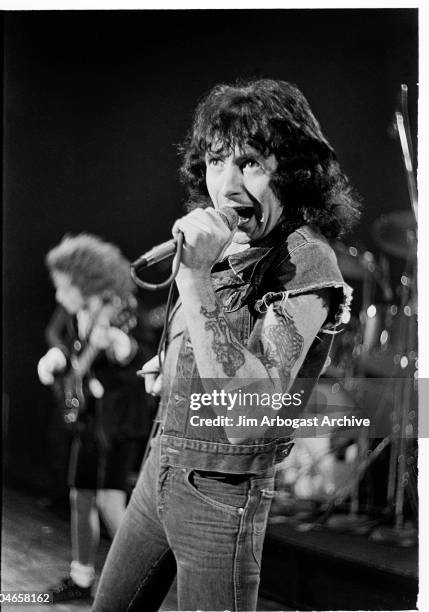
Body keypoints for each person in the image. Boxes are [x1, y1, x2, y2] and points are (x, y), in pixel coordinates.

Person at [92, 78, 361, 612]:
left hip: (220, 495)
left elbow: (245, 418)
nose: (228, 186)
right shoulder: (229, 244)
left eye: (251, 165)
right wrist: (172, 360)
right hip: (160, 468)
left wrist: (192, 281)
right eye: (217, 163)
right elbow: (214, 335)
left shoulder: (306, 262)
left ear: (294, 173)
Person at [37, 233, 143, 602]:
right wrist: (57, 359)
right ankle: (81, 578)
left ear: (85, 282)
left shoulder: (121, 308)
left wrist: (119, 345)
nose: (59, 295)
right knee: (80, 496)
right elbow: (58, 337)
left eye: (64, 287)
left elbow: (137, 356)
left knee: (111, 501)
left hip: (116, 424)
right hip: (86, 421)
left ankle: (138, 581)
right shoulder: (69, 311)